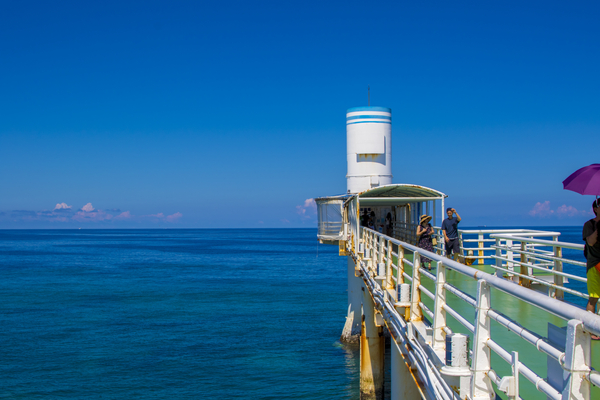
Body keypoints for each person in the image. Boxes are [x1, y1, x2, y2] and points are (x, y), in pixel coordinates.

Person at [583, 199, 600, 339]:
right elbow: (590, 241)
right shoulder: (589, 225)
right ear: (595, 208)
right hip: (594, 264)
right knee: (593, 298)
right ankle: (591, 330)